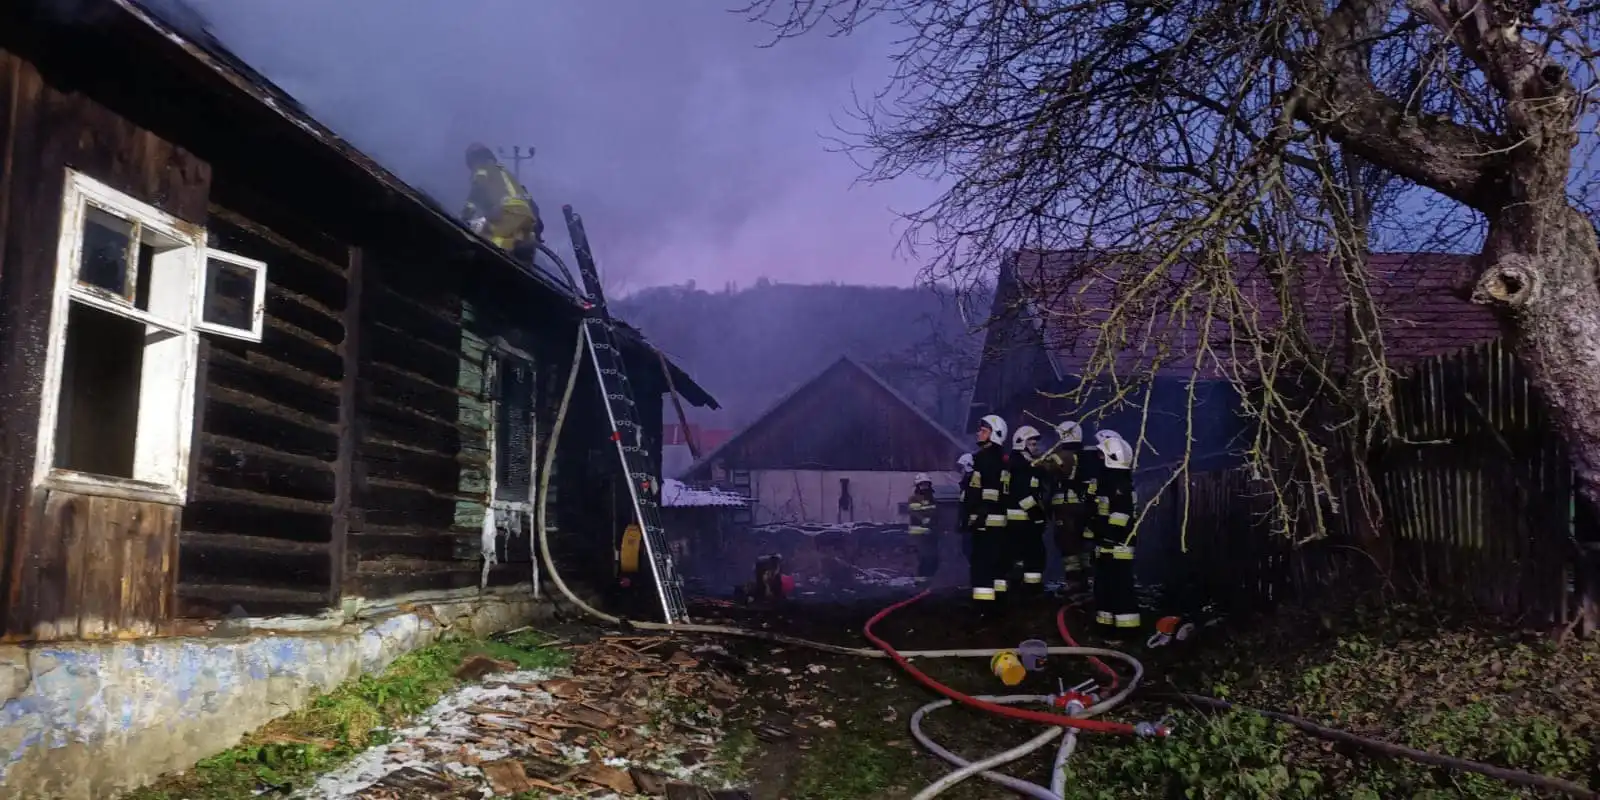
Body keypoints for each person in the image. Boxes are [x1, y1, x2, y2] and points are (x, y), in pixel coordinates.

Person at [1091, 432, 1141, 636]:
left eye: (1102, 456)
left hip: (1117, 547)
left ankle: (1126, 632)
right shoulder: (1111, 484)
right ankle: (1107, 629)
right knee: (1106, 588)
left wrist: (1105, 536)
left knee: (1120, 589)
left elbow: (1119, 519)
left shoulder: (1120, 487)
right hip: (1107, 545)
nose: (1099, 460)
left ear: (1111, 459)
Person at [963, 415, 1010, 611]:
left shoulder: (984, 458)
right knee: (997, 564)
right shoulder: (1002, 458)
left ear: (995, 434)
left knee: (981, 564)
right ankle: (999, 603)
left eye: (984, 430)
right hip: (998, 522)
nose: (978, 433)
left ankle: (982, 606)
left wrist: (978, 515)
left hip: (986, 521)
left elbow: (986, 491)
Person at [462, 143, 544, 254]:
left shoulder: (483, 168)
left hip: (505, 214)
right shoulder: (508, 176)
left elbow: (477, 190)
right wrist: (536, 231)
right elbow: (533, 205)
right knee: (519, 251)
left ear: (474, 159)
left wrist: (465, 216)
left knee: (472, 237)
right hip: (526, 221)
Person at [906, 473, 940, 586]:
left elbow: (937, 513)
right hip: (919, 534)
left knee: (933, 558)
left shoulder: (933, 498)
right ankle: (920, 584)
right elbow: (914, 512)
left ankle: (930, 582)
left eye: (926, 484)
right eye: (922, 485)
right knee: (923, 559)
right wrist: (924, 519)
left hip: (931, 534)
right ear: (917, 486)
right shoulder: (914, 498)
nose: (924, 487)